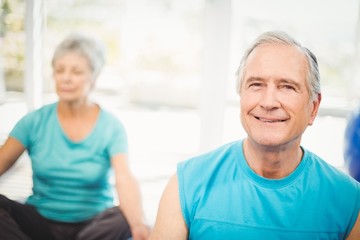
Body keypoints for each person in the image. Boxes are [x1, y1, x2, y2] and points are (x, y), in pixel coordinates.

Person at [149, 31, 360, 239]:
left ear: (313, 108)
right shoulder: (187, 183)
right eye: (256, 85)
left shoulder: (350, 200)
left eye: (286, 87)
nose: (268, 102)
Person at [0, 33, 150, 240]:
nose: (66, 78)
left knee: (125, 217)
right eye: (59, 70)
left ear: (94, 77)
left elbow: (124, 178)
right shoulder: (34, 121)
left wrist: (138, 224)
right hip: (40, 223)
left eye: (77, 71)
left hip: (93, 226)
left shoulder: (111, 127)